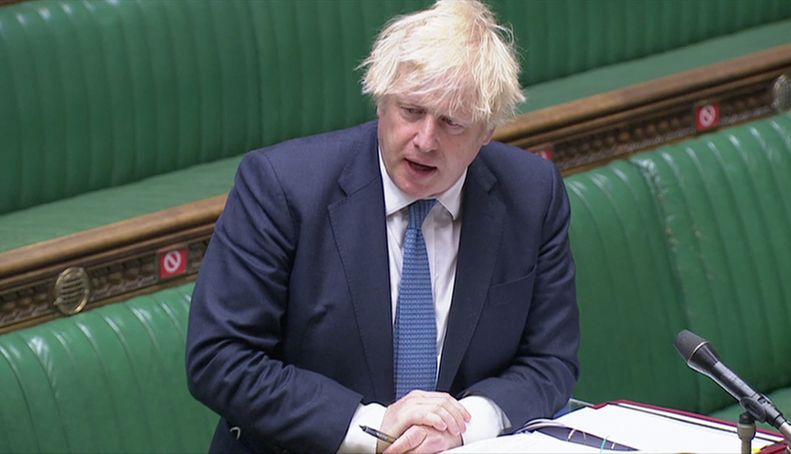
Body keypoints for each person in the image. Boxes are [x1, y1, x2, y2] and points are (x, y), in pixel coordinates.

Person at [186, 0, 579, 452]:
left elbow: (551, 360)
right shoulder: (282, 187)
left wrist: (464, 425)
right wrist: (372, 428)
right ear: (381, 102)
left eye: (451, 122)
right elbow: (220, 358)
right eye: (411, 111)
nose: (425, 141)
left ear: (487, 131)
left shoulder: (531, 194)